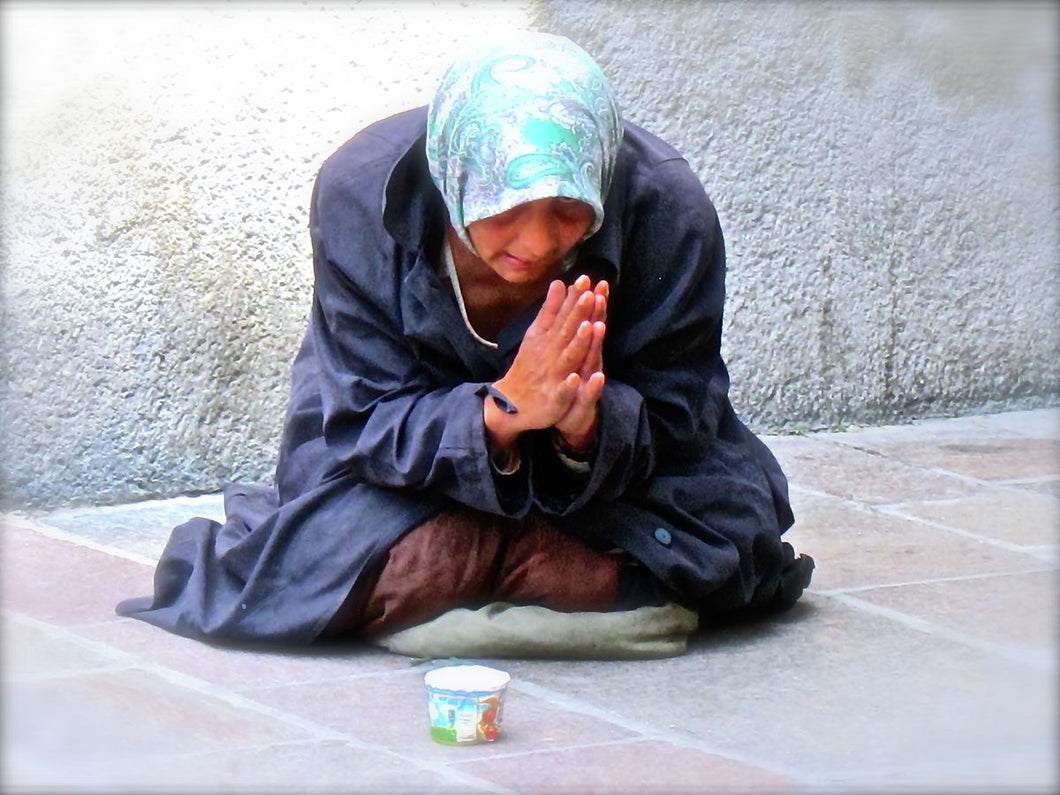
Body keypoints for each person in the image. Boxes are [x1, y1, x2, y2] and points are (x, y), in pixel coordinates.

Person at [117, 32, 813, 649]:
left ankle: (484, 572)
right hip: (402, 475)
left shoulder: (668, 210)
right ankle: (563, 576)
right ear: (455, 180)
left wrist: (582, 428)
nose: (538, 243)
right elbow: (362, 416)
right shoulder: (360, 193)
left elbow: (679, 409)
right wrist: (505, 409)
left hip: (617, 484)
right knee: (305, 560)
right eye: (506, 209)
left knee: (734, 533)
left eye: (570, 211)